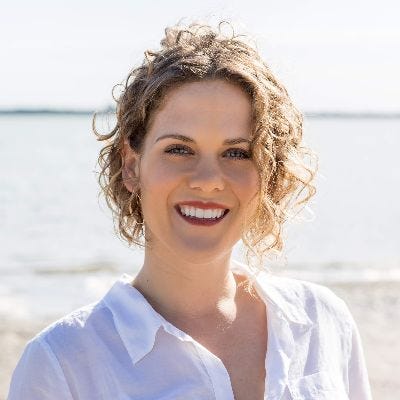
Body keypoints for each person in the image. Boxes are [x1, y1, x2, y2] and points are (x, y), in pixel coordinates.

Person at [8, 21, 372, 400]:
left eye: (237, 153)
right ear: (132, 166)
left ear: (268, 171)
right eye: (179, 149)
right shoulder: (63, 364)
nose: (208, 179)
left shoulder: (322, 323)